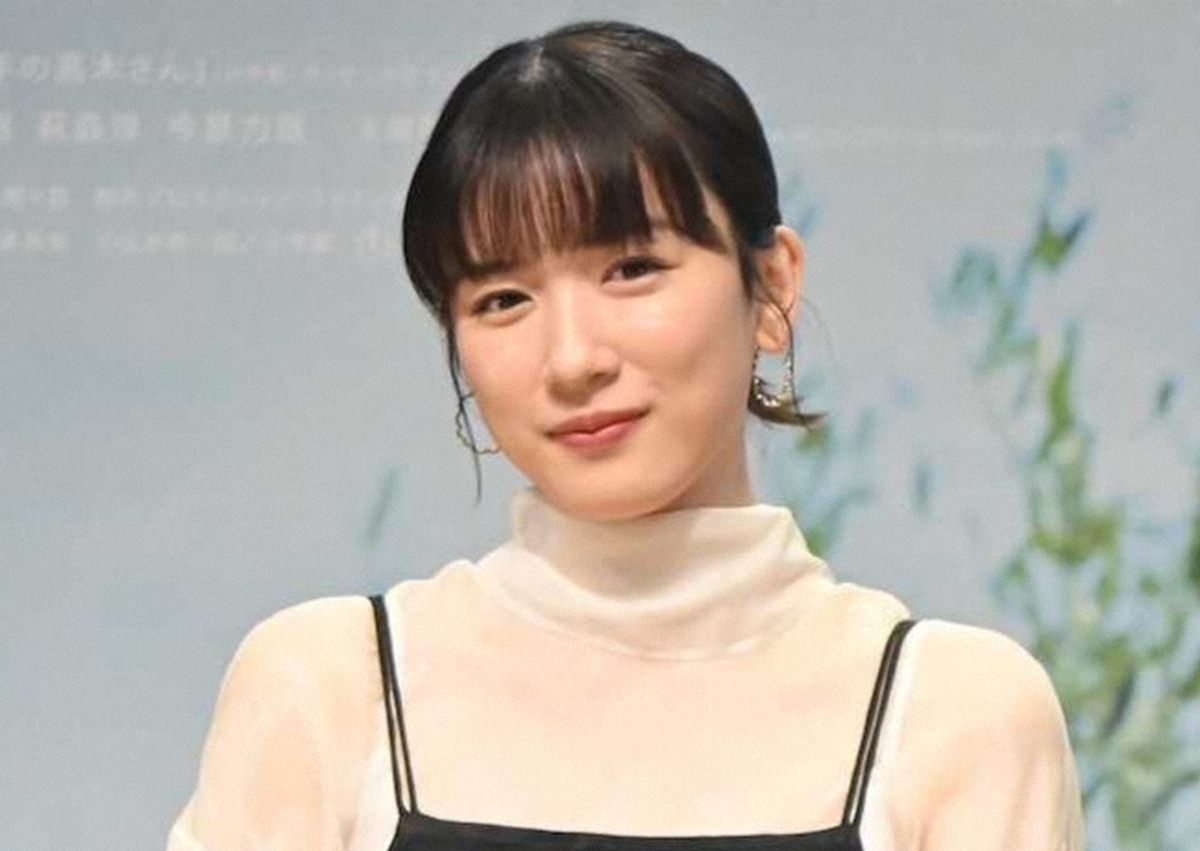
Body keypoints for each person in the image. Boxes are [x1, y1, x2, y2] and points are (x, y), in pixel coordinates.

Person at [167, 20, 1084, 851]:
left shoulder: (955, 714)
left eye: (633, 268)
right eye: (503, 299)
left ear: (772, 286)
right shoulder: (329, 689)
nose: (572, 358)